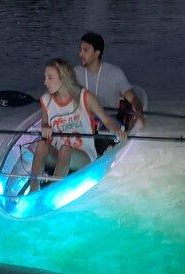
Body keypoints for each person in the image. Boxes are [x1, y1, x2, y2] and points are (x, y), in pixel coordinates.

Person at [29, 58, 126, 193]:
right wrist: (45, 126)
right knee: (42, 144)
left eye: (49, 78)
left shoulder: (85, 97)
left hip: (83, 156)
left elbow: (107, 120)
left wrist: (118, 131)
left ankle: (54, 191)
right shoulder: (46, 100)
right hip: (57, 154)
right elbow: (45, 122)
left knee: (65, 149)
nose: (45, 82)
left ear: (63, 78)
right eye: (45, 77)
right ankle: (33, 189)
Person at [74, 32, 145, 132]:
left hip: (110, 118)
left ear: (97, 53)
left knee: (105, 131)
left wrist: (138, 111)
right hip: (83, 118)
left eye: (85, 50)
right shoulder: (74, 73)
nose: (80, 54)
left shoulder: (115, 73)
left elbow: (133, 98)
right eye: (80, 50)